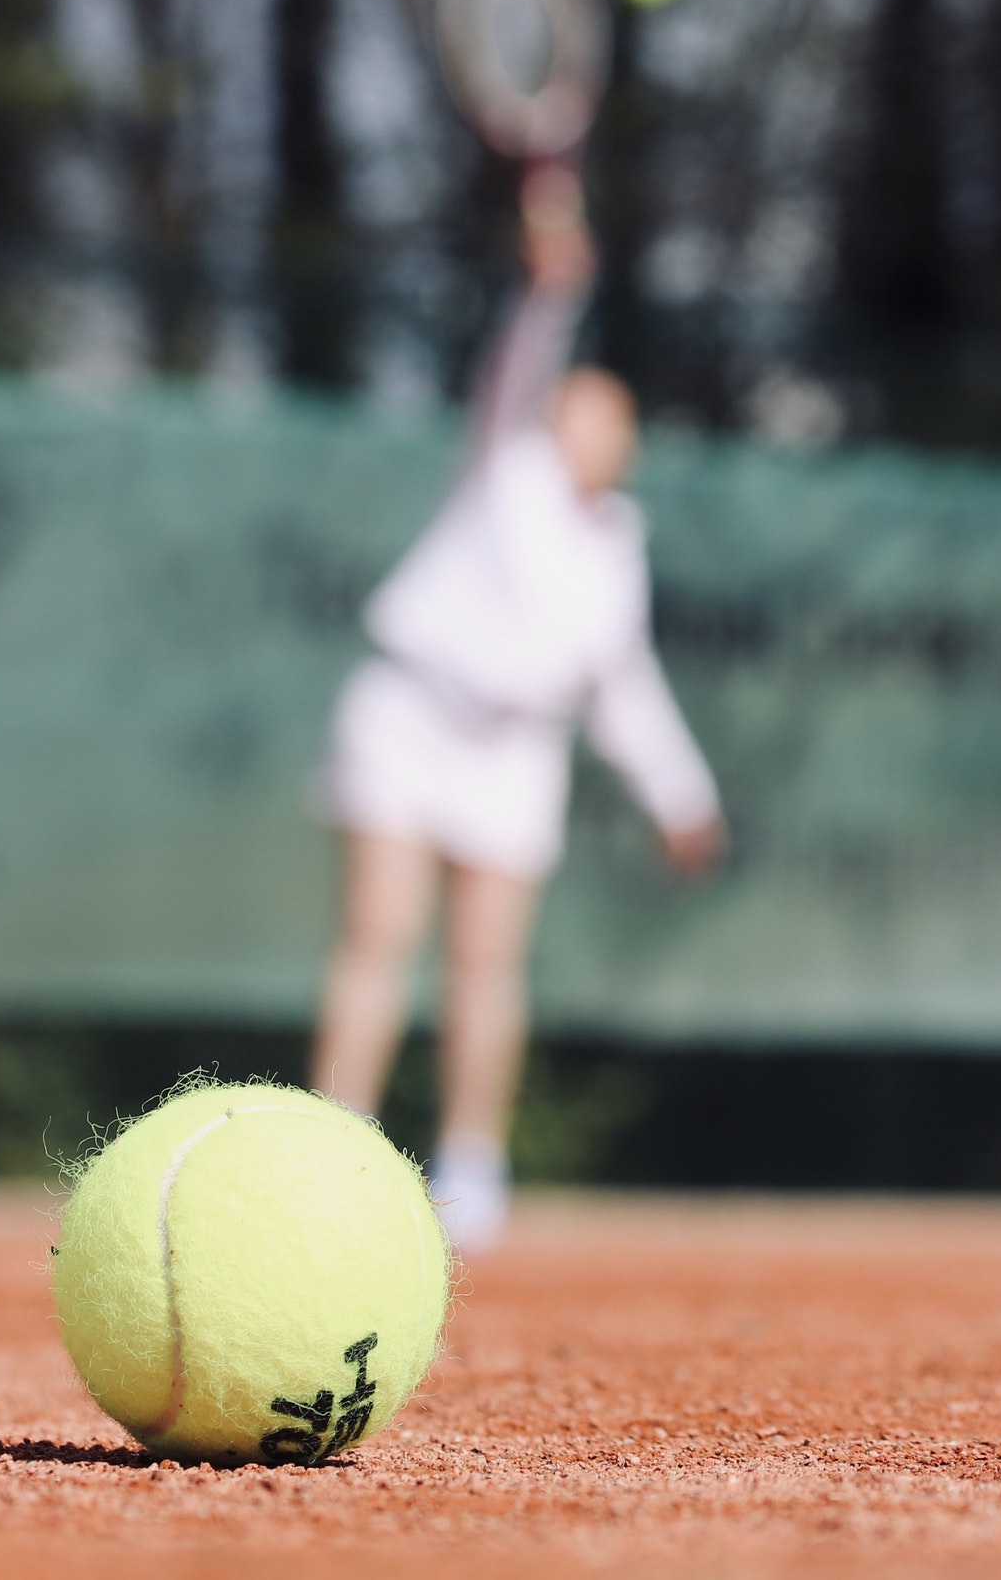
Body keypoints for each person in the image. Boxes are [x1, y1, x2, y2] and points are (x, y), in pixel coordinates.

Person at [308, 161, 725, 1254]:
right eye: (567, 407)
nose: (578, 421)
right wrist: (550, 285)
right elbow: (520, 355)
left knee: (485, 968)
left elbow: (621, 684)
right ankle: (330, 1151)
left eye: (602, 414)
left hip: (513, 753)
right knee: (377, 934)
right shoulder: (505, 461)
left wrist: (680, 797)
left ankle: (470, 1171)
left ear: (624, 441)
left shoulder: (615, 547)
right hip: (408, 712)